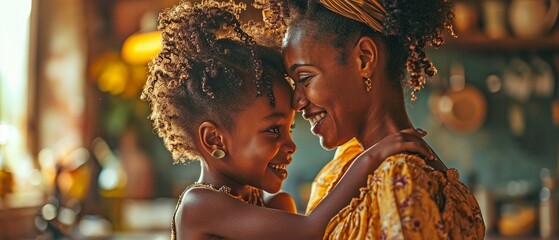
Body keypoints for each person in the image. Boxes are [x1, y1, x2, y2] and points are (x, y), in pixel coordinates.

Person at [141, 0, 438, 239]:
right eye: (273, 130)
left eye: (289, 128)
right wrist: (372, 157)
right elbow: (310, 230)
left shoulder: (264, 204)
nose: (291, 145)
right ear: (214, 140)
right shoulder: (199, 206)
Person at [280, 0, 486, 239]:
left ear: (364, 59)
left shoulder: (400, 179)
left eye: (305, 78)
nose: (297, 102)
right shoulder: (350, 164)